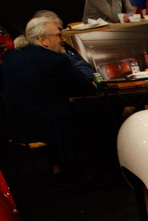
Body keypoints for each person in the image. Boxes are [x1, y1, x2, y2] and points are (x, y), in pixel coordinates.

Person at [0, 17, 96, 163]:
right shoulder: (54, 60)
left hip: (18, 131)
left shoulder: (10, 57)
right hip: (51, 131)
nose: (62, 40)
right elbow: (87, 88)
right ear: (43, 40)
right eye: (58, 35)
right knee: (97, 116)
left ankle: (59, 167)